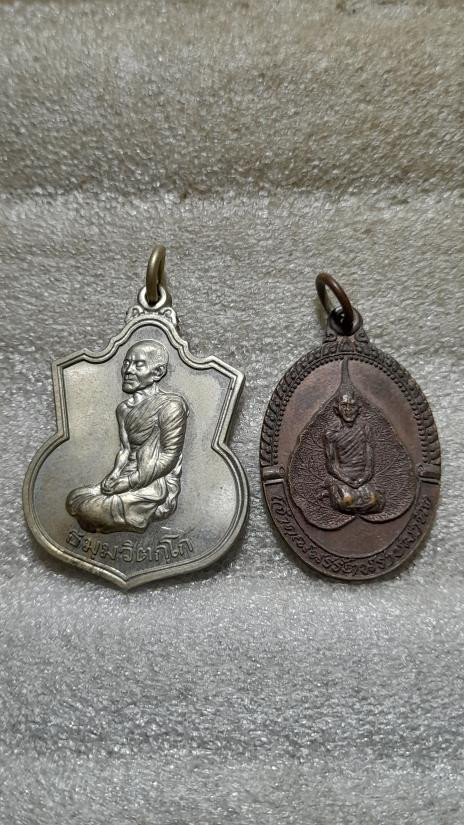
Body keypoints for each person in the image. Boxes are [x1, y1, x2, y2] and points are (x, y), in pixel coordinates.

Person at [66, 340, 188, 533]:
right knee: (74, 499)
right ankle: (111, 514)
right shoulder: (123, 409)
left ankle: (131, 515)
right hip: (125, 475)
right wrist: (114, 476)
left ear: (158, 372)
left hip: (153, 482)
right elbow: (125, 449)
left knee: (90, 509)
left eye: (138, 365)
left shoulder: (171, 406)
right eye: (126, 363)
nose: (128, 370)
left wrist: (129, 482)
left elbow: (170, 456)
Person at [324, 359, 384, 515]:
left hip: (363, 478)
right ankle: (335, 491)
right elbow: (332, 465)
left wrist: (364, 478)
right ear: (336, 409)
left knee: (373, 501)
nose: (348, 410)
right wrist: (347, 480)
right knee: (347, 501)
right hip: (342, 478)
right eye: (344, 406)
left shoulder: (365, 428)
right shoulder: (331, 434)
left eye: (352, 406)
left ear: (358, 409)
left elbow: (370, 460)